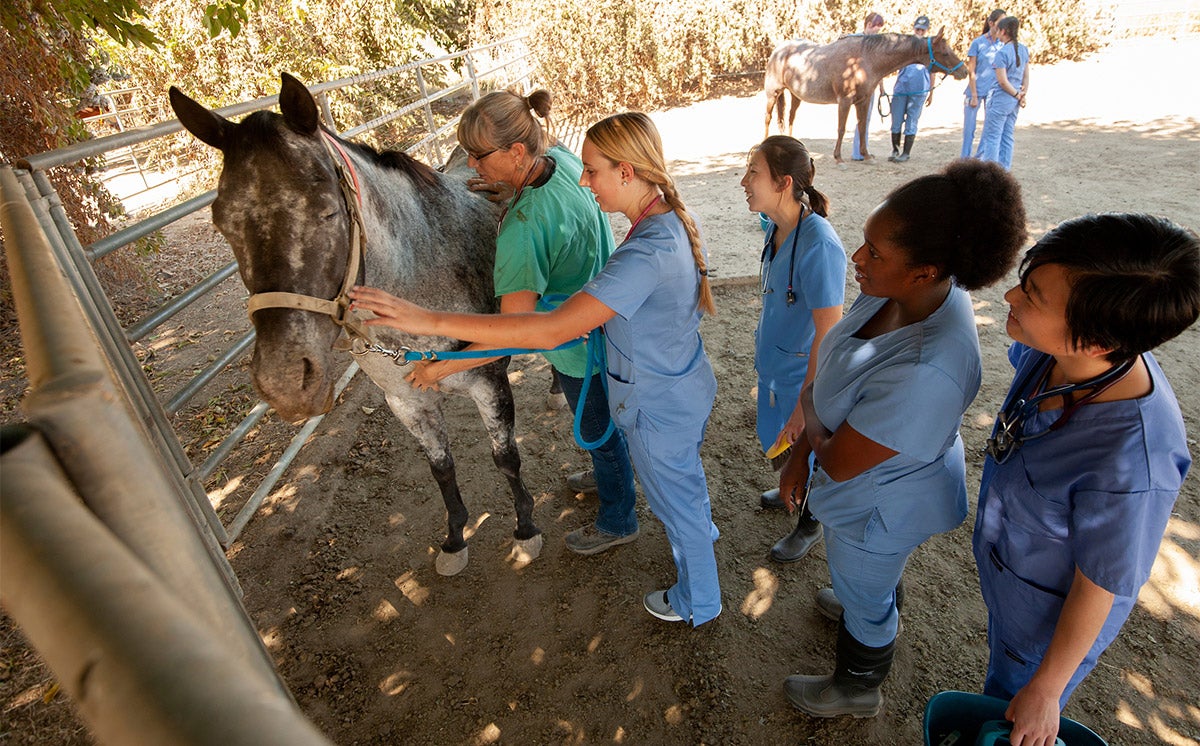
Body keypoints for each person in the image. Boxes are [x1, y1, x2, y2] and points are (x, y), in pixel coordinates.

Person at [350, 112, 725, 626]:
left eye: (592, 171)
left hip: (657, 405)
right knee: (683, 485)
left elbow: (547, 331)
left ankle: (698, 600)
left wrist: (425, 319)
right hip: (679, 386)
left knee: (672, 500)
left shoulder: (644, 253)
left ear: (626, 172)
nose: (584, 180)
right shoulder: (663, 223)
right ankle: (700, 529)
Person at [776, 159, 1027, 717]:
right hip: (878, 486)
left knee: (865, 586)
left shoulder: (928, 368)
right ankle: (868, 596)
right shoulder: (900, 291)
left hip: (881, 503)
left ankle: (857, 686)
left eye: (874, 252)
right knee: (867, 576)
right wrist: (802, 447)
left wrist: (809, 409)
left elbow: (840, 462)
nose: (857, 258)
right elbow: (837, 376)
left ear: (924, 271)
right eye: (865, 244)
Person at [975, 213, 1199, 745]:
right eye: (1026, 282)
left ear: (1096, 340)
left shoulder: (1132, 462)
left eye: (1032, 296)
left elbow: (1102, 583)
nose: (1010, 297)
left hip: (1042, 629)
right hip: (1013, 583)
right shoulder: (1065, 354)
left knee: (1010, 711)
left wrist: (1047, 688)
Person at [408, 89, 639, 557]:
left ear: (516, 151)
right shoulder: (565, 162)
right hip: (609, 317)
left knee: (599, 430)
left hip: (577, 346)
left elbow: (514, 333)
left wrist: (442, 368)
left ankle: (619, 519)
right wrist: (513, 189)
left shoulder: (523, 230)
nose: (471, 165)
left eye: (478, 155)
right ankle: (607, 476)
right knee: (605, 420)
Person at [739, 137, 845, 559]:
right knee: (782, 438)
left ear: (784, 183)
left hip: (803, 378)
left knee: (809, 449)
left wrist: (807, 404)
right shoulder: (776, 228)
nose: (743, 182)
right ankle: (792, 488)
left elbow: (828, 334)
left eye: (753, 173)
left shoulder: (820, 246)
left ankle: (810, 521)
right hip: (777, 370)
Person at [978, 15, 1030, 170]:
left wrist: (1016, 94)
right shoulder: (1023, 49)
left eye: (998, 30)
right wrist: (1022, 94)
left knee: (992, 137)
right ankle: (1004, 170)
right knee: (1007, 135)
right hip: (1014, 100)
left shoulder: (1002, 53)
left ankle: (991, 172)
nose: (997, 32)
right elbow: (1026, 76)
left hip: (1001, 98)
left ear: (1004, 31)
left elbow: (1002, 81)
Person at [962, 9, 1007, 158]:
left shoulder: (1003, 45)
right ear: (991, 23)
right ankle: (964, 159)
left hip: (993, 93)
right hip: (975, 90)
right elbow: (971, 70)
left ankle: (979, 158)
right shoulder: (978, 43)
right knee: (969, 129)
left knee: (988, 129)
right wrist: (974, 95)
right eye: (1000, 22)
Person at [888, 16, 934, 163]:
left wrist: (931, 92)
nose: (919, 32)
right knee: (896, 120)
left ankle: (906, 152)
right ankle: (895, 149)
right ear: (913, 28)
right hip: (901, 89)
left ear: (927, 30)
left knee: (912, 121)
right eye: (917, 29)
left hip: (919, 90)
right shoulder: (905, 46)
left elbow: (933, 71)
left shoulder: (929, 48)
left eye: (922, 30)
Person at [851, 12, 886, 162]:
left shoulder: (875, 44)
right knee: (862, 118)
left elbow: (879, 67)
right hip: (855, 85)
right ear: (869, 25)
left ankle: (860, 151)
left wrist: (881, 86)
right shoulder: (855, 40)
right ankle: (858, 152)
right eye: (877, 28)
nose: (878, 32)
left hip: (869, 86)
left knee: (865, 119)